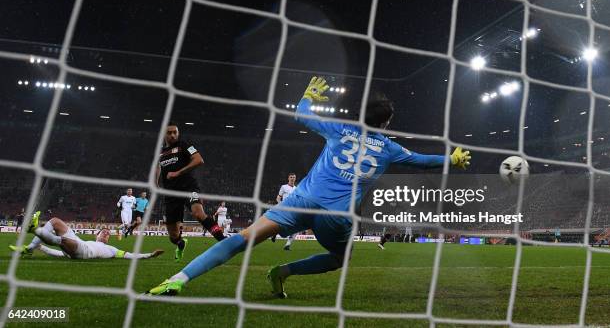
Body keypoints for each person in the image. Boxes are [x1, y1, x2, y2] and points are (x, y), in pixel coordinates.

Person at [147, 76, 471, 297]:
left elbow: (301, 115)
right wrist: (453, 159)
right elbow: (423, 160)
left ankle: (177, 279)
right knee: (339, 258)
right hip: (336, 216)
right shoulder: (389, 149)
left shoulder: (339, 128)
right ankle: (283, 271)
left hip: (301, 200)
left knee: (243, 239)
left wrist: (307, 95)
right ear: (386, 124)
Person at [157, 122, 224, 262]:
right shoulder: (161, 153)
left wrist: (178, 172)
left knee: (198, 213)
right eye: (169, 132)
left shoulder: (184, 145)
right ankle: (181, 244)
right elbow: (158, 171)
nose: (173, 135)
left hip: (188, 187)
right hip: (171, 194)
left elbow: (199, 160)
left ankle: (223, 241)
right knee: (173, 236)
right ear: (164, 134)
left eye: (175, 132)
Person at [10, 211, 163, 260]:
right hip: (78, 243)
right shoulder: (90, 241)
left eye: (107, 234)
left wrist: (149, 255)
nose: (105, 234)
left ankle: (33, 230)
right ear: (97, 236)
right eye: (103, 232)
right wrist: (41, 248)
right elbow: (60, 254)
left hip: (83, 252)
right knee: (55, 221)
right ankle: (30, 246)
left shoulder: (111, 249)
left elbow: (130, 255)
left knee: (62, 240)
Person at [277, 173, 298, 250]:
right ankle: (274, 234)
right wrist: (281, 205)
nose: (292, 178)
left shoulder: (296, 189)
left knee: (297, 228)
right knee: (281, 225)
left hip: (293, 210)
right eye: (291, 177)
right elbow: (278, 198)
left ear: (295, 179)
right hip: (285, 210)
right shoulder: (284, 187)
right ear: (288, 178)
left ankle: (288, 244)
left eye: (294, 177)